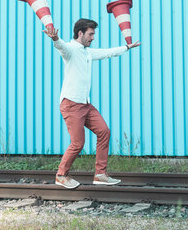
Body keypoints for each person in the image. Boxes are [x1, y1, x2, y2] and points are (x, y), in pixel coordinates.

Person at [44, 18, 141, 189]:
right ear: (80, 33)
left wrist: (127, 47)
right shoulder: (71, 49)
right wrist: (55, 39)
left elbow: (107, 52)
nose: (93, 37)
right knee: (77, 144)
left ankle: (100, 174)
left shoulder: (87, 52)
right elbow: (61, 48)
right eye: (91, 34)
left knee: (104, 131)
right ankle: (61, 175)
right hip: (71, 104)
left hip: (85, 104)